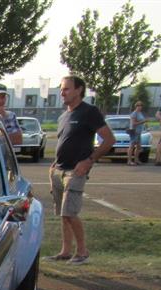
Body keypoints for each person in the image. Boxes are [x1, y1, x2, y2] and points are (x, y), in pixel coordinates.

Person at [46, 75, 115, 265]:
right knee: (63, 214)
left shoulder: (89, 112)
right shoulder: (63, 116)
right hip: (59, 170)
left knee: (70, 212)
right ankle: (65, 251)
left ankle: (82, 252)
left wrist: (89, 161)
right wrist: (54, 166)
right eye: (61, 89)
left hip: (75, 172)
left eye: (66, 89)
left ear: (79, 90)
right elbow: (64, 142)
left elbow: (109, 139)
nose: (62, 93)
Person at [127, 101, 147, 166]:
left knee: (138, 147)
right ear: (136, 106)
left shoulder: (140, 113)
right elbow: (133, 123)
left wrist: (144, 122)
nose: (140, 107)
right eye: (138, 106)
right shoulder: (134, 114)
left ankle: (136, 160)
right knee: (132, 146)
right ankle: (129, 161)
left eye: (141, 106)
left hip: (139, 132)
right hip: (134, 131)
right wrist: (142, 121)